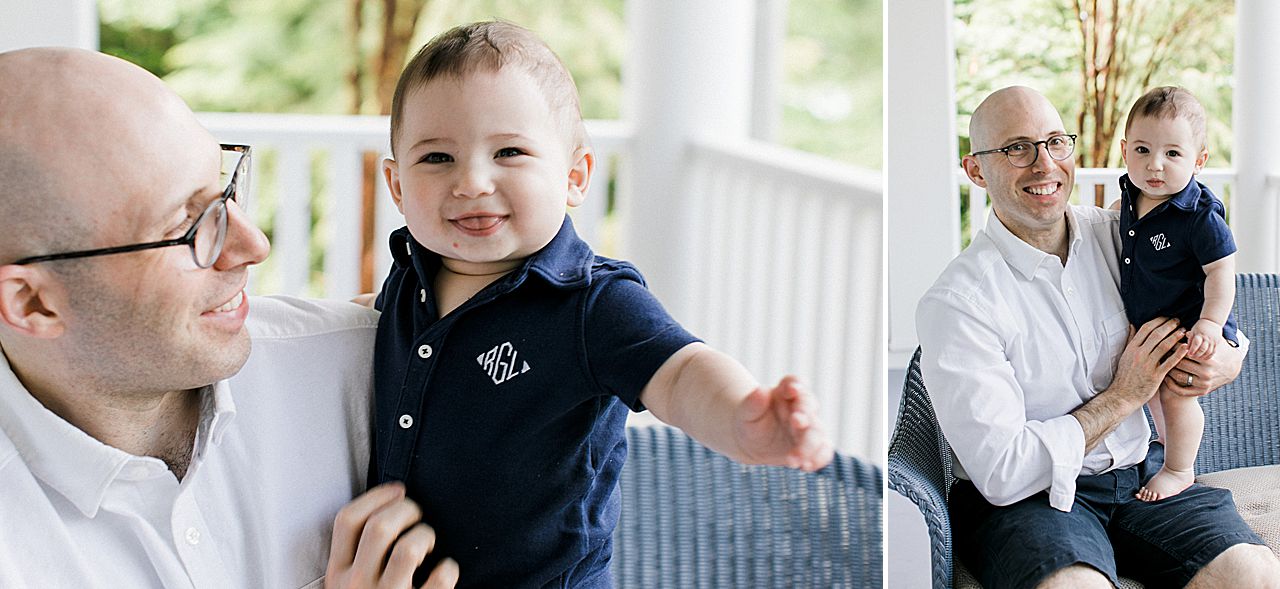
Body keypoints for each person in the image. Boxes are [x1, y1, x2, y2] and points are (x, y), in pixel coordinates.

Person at [373, 21, 834, 588]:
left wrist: (743, 415)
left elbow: (680, 371)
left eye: (510, 151)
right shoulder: (409, 275)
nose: (471, 181)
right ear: (397, 187)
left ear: (574, 176)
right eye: (437, 158)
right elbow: (367, 325)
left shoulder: (592, 303)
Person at [0, 48, 456, 588]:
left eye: (225, 189)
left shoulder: (376, 368)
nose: (252, 244)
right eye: (190, 226)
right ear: (34, 304)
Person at [916, 85, 1280, 589]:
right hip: (1032, 501)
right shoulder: (958, 303)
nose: (1043, 164)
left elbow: (1206, 293)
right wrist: (1123, 396)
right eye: (1016, 148)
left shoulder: (1122, 235)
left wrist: (1228, 356)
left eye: (1055, 143)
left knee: (1255, 576)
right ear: (976, 170)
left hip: (1142, 478)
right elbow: (1002, 472)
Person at [1113, 86, 1238, 502]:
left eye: (1172, 154)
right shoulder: (1129, 199)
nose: (1155, 165)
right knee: (1149, 390)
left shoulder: (1198, 214)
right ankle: (1166, 445)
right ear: (1125, 150)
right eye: (1144, 150)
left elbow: (1222, 271)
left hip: (1190, 323)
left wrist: (1211, 324)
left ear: (1198, 160)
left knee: (1175, 392)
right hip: (1153, 322)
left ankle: (1180, 469)